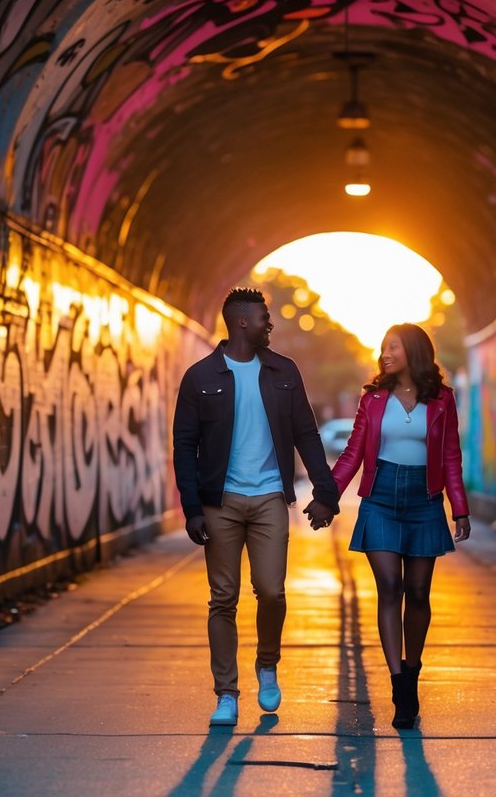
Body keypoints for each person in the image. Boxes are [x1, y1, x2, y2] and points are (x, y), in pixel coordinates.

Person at [173, 287, 339, 728]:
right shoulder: (200, 376)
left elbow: (307, 434)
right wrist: (192, 507)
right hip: (219, 502)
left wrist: (325, 494)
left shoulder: (284, 371)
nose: (271, 324)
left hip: (268, 497)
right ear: (242, 321)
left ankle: (267, 663)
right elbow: (184, 445)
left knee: (271, 591)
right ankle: (226, 693)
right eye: (265, 317)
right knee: (222, 599)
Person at [331, 323, 470, 729]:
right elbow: (353, 451)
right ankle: (398, 684)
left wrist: (458, 507)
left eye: (393, 347)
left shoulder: (442, 399)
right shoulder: (373, 399)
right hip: (381, 499)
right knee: (390, 587)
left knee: (419, 592)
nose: (385, 353)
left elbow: (450, 457)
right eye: (383, 347)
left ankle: (412, 669)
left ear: (413, 350)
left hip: (424, 502)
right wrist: (329, 496)